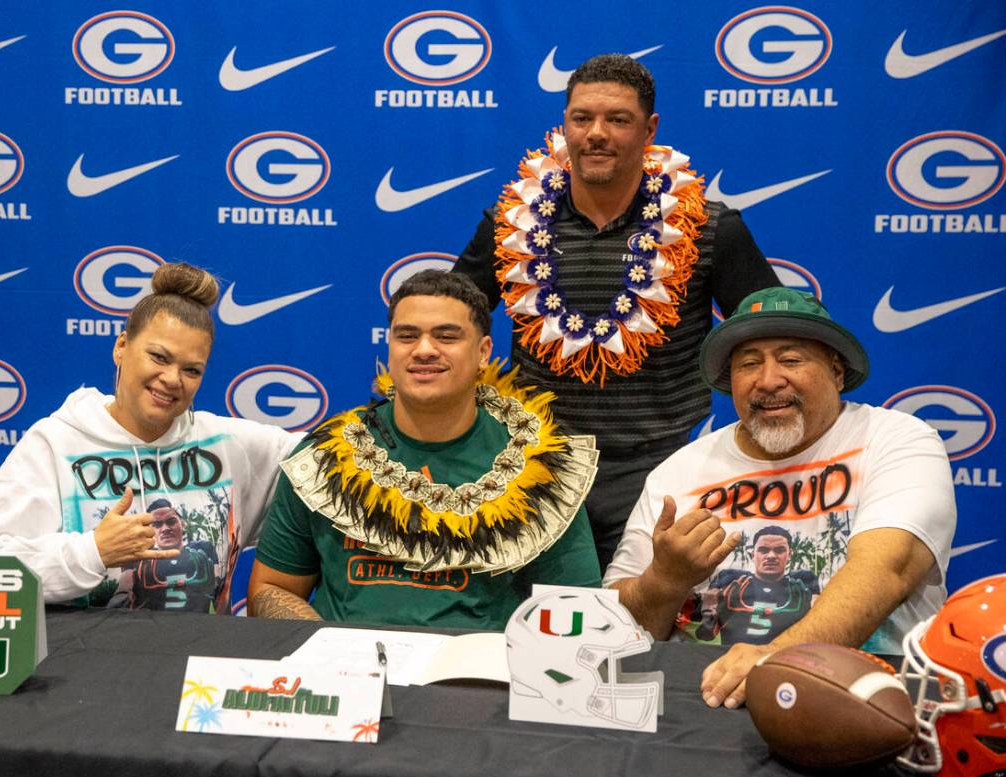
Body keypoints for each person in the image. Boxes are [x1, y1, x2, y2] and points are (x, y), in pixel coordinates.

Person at [453, 53, 779, 572]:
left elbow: (774, 332)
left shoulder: (709, 228)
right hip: (534, 466)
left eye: (617, 120)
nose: (596, 134)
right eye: (581, 118)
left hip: (663, 469)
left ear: (649, 129)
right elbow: (449, 318)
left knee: (645, 627)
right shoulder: (509, 223)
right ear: (564, 125)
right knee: (531, 625)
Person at [604, 286, 956, 709]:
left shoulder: (896, 440)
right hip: (704, 701)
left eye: (791, 359)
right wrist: (663, 581)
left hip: (864, 699)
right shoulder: (680, 471)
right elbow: (619, 629)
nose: (768, 380)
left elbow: (887, 570)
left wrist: (775, 660)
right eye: (748, 364)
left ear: (836, 372)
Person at [248, 270, 602, 628]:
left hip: (479, 677)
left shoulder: (543, 468)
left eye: (447, 336)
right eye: (407, 336)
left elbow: (575, 614)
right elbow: (272, 588)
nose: (424, 350)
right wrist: (331, 650)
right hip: (350, 675)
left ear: (483, 352)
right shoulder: (324, 456)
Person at [0, 262, 300, 612]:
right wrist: (93, 551)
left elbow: (330, 455)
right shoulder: (57, 443)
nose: (173, 379)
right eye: (159, 357)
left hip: (197, 666)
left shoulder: (229, 445)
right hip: (85, 665)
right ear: (121, 346)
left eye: (191, 370)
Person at [693, 526, 819, 645]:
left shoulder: (802, 587)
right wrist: (713, 612)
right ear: (753, 554)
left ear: (789, 554)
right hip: (734, 665)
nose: (771, 556)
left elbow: (820, 627)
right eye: (763, 550)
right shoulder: (732, 584)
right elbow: (705, 633)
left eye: (779, 550)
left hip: (785, 665)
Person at [108, 498, 219, 612]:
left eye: (171, 521)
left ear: (183, 524)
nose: (165, 529)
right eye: (157, 524)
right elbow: (122, 592)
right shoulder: (140, 559)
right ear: (150, 530)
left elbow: (219, 590)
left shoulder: (204, 549)